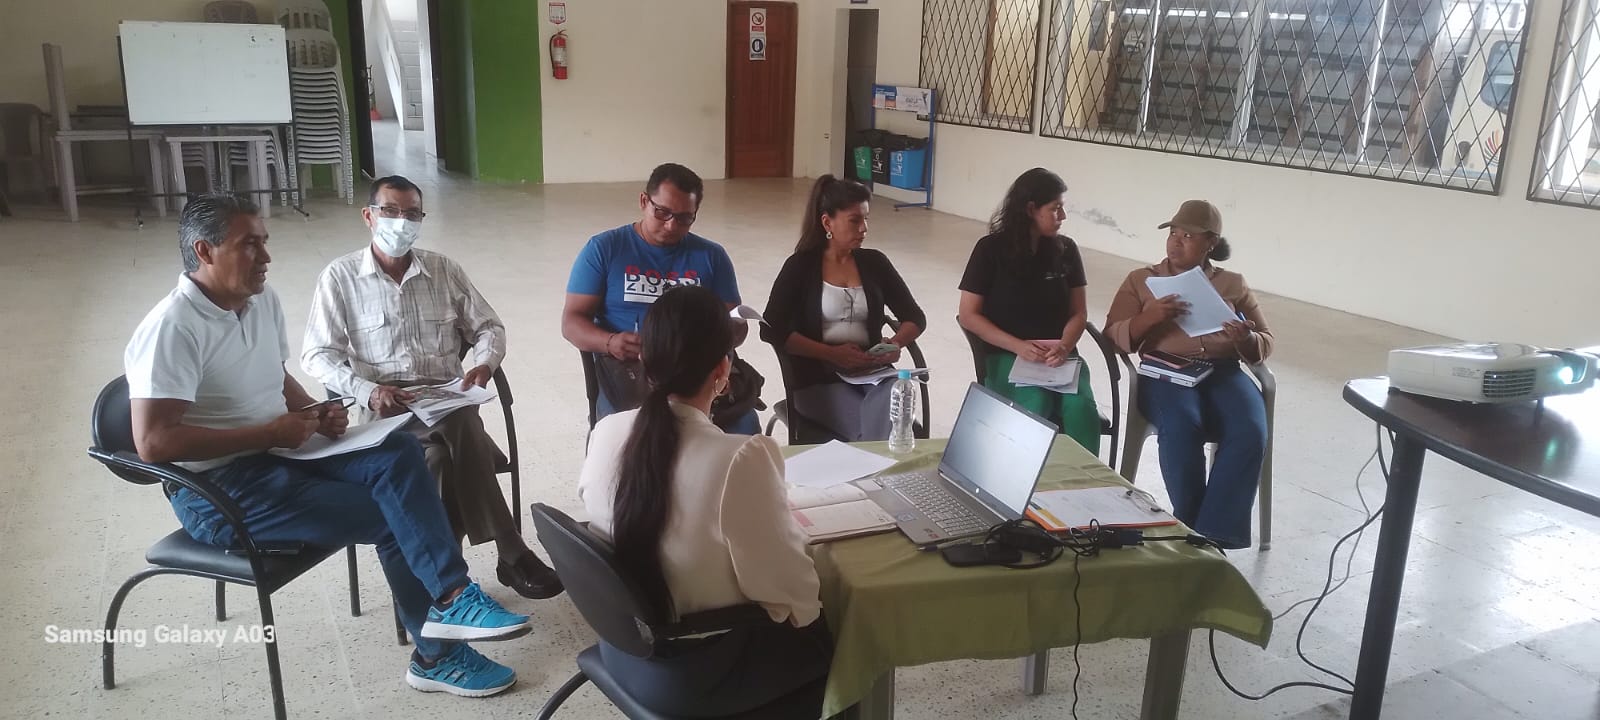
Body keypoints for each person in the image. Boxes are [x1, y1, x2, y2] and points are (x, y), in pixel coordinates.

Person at [125, 194, 530, 698]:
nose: (266, 257)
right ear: (204, 251)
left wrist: (316, 412)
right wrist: (270, 433)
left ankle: (453, 596)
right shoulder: (171, 328)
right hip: (220, 492)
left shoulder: (260, 302)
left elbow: (275, 376)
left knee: (398, 454)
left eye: (265, 242)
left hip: (277, 456)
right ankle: (436, 655)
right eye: (250, 245)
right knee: (391, 513)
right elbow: (153, 442)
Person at [301, 175, 562, 600]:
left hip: (444, 395)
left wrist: (483, 364)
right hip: (385, 410)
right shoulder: (340, 277)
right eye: (390, 211)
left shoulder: (444, 270)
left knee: (442, 454)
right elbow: (316, 355)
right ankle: (511, 551)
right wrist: (367, 391)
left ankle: (444, 581)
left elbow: (489, 327)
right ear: (369, 216)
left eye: (412, 214)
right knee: (463, 429)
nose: (401, 222)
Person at [577, 285, 830, 717]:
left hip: (624, 648)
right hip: (700, 672)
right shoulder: (740, 457)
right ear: (722, 370)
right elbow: (792, 594)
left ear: (644, 360)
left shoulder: (607, 432)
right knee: (834, 628)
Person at [1103, 199, 1272, 549]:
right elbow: (1112, 336)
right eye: (1173, 234)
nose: (1176, 242)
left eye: (1188, 236)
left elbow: (1265, 340)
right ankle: (1192, 527)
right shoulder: (1142, 280)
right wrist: (1150, 317)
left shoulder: (1233, 284)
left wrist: (1246, 339)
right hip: (1164, 373)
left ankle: (1212, 535)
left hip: (1222, 372)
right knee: (1182, 425)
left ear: (1210, 243)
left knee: (1250, 429)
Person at [561, 163, 762, 435]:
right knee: (627, 434)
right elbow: (571, 321)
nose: (671, 225)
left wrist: (730, 333)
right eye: (662, 212)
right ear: (644, 201)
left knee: (744, 426)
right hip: (630, 369)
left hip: (694, 370)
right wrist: (609, 342)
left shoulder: (711, 256)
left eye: (684, 218)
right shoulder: (605, 249)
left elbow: (734, 326)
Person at [762, 175, 926, 441]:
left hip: (873, 375)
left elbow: (914, 317)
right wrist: (830, 354)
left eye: (866, 219)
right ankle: (881, 462)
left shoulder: (875, 263)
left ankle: (875, 460)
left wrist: (895, 343)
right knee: (887, 427)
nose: (864, 228)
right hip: (818, 383)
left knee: (895, 392)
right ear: (827, 222)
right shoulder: (800, 267)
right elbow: (771, 329)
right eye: (854, 220)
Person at [957, 168, 1101, 453]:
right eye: (1055, 208)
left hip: (1060, 356)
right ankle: (1025, 475)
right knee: (1036, 402)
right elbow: (968, 315)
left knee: (1080, 407)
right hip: (1007, 355)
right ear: (1031, 209)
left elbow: (1079, 313)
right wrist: (1018, 346)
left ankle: (1085, 475)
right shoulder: (990, 250)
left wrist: (1064, 346)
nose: (1062, 216)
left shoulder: (1066, 250)